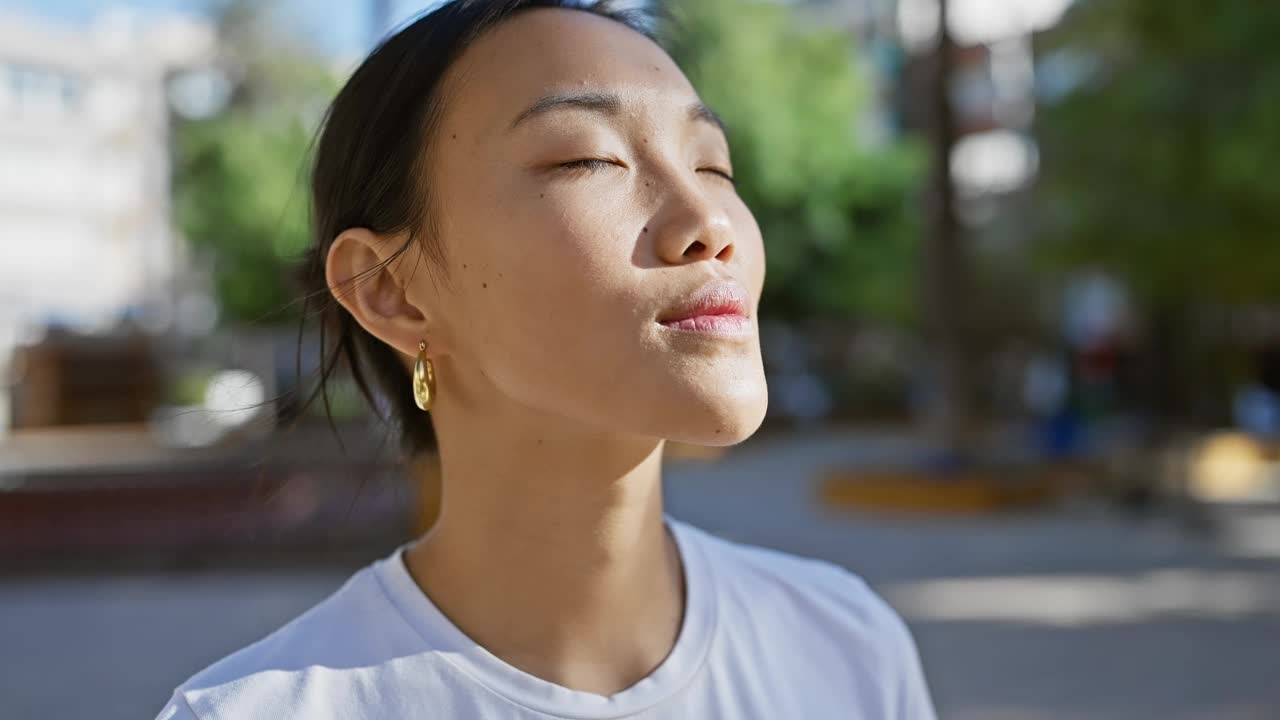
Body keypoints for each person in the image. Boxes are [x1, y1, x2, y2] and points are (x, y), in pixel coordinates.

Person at [154, 1, 937, 717]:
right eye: (586, 159)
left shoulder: (846, 650)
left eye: (713, 166)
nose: (707, 220)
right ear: (392, 290)